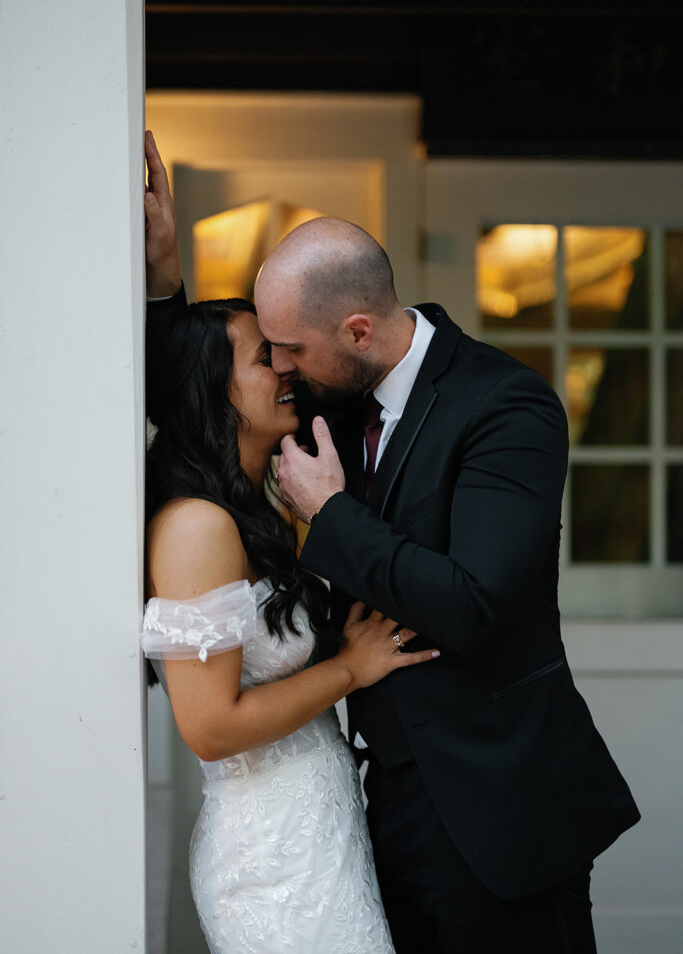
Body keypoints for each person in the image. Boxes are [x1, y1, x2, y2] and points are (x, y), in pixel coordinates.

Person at [144, 132, 641, 953]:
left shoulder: (504, 409)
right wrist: (164, 279)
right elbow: (209, 385)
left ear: (358, 331)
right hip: (379, 807)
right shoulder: (333, 393)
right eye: (272, 354)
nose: (283, 370)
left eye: (292, 351)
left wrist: (332, 516)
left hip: (497, 805)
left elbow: (473, 602)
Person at [141, 134, 439, 954]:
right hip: (271, 862)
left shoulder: (258, 506)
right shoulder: (196, 526)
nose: (282, 367)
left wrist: (165, 266)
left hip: (322, 833)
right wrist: (349, 666)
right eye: (257, 357)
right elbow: (210, 727)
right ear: (214, 394)